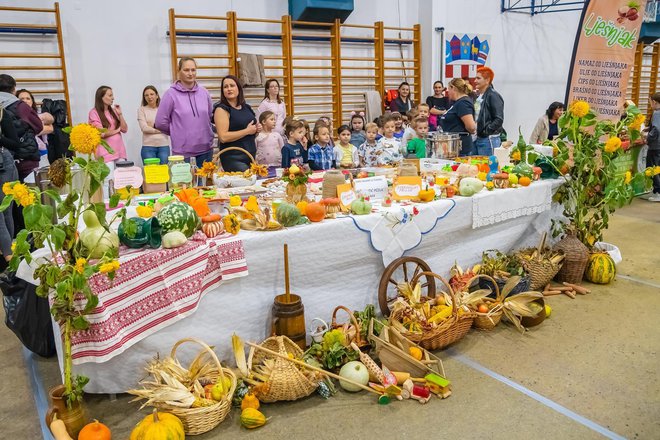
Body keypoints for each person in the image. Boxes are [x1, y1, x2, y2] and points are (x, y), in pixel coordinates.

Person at [155, 57, 214, 166]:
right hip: (183, 153)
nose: (190, 73)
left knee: (205, 183)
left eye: (193, 70)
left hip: (206, 149)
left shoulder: (204, 92)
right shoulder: (170, 94)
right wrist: (176, 131)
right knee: (184, 183)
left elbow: (209, 116)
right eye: (186, 70)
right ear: (179, 71)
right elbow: (160, 122)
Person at [0, 74, 43, 181]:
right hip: (24, 156)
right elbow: (38, 126)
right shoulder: (19, 106)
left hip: (4, 157)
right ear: (14, 89)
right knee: (30, 192)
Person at [213, 75, 259, 172]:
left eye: (232, 85)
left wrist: (257, 129)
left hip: (250, 155)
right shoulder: (221, 109)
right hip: (233, 157)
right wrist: (247, 131)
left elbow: (252, 131)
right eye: (225, 87)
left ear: (238, 88)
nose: (229, 89)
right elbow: (223, 137)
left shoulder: (247, 107)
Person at [88, 86, 128, 168]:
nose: (113, 98)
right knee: (109, 180)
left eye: (112, 95)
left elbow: (124, 129)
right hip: (105, 154)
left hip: (119, 152)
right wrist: (117, 130)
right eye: (110, 95)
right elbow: (101, 133)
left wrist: (120, 114)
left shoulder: (114, 111)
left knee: (121, 179)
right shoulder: (93, 113)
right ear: (101, 97)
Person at [0, 106, 20, 261]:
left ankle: (10, 257)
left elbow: (14, 143)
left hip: (3, 164)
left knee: (5, 210)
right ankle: (10, 258)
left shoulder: (3, 113)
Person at [440, 78, 476, 156]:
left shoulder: (463, 103)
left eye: (449, 89)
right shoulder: (457, 103)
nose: (448, 93)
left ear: (454, 88)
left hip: (460, 147)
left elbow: (471, 127)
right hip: (453, 147)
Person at [16, 89, 53, 167]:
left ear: (32, 101)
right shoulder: (15, 117)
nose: (25, 101)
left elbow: (50, 128)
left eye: (28, 98)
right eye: (21, 99)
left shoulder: (38, 115)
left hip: (42, 153)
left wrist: (31, 131)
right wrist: (36, 129)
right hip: (25, 155)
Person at [474, 66, 504, 156]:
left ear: (487, 80)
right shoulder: (480, 96)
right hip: (480, 137)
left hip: (488, 138)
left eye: (478, 78)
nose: (475, 81)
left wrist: (486, 131)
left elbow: (499, 119)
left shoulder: (493, 95)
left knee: (489, 167)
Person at [138, 85, 170, 164]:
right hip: (148, 147)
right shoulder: (141, 110)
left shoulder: (164, 109)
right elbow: (144, 128)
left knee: (163, 173)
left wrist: (152, 127)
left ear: (157, 95)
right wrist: (161, 130)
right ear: (144, 97)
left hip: (163, 146)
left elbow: (169, 126)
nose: (149, 97)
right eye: (146, 95)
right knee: (151, 174)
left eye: (152, 94)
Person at [646, 92, 660, 202]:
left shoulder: (656, 113)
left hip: (655, 146)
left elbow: (656, 129)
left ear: (654, 102)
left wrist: (647, 136)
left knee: (653, 168)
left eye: (650, 101)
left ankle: (657, 192)